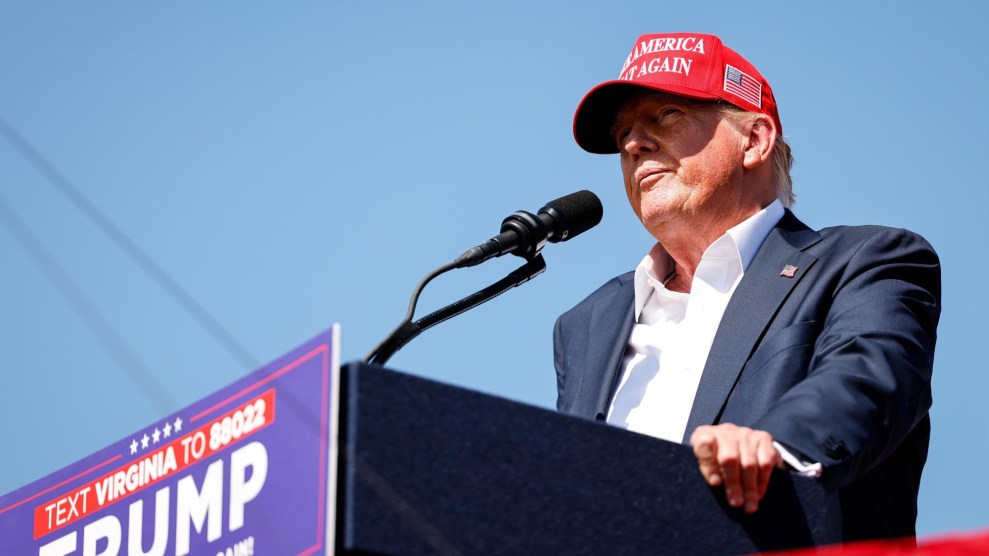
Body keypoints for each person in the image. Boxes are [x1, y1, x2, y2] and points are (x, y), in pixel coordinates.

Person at [554, 32, 940, 541]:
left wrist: (775, 445)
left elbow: (869, 378)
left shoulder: (865, 261)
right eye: (623, 131)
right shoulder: (587, 323)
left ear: (754, 140)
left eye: (666, 115)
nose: (632, 144)